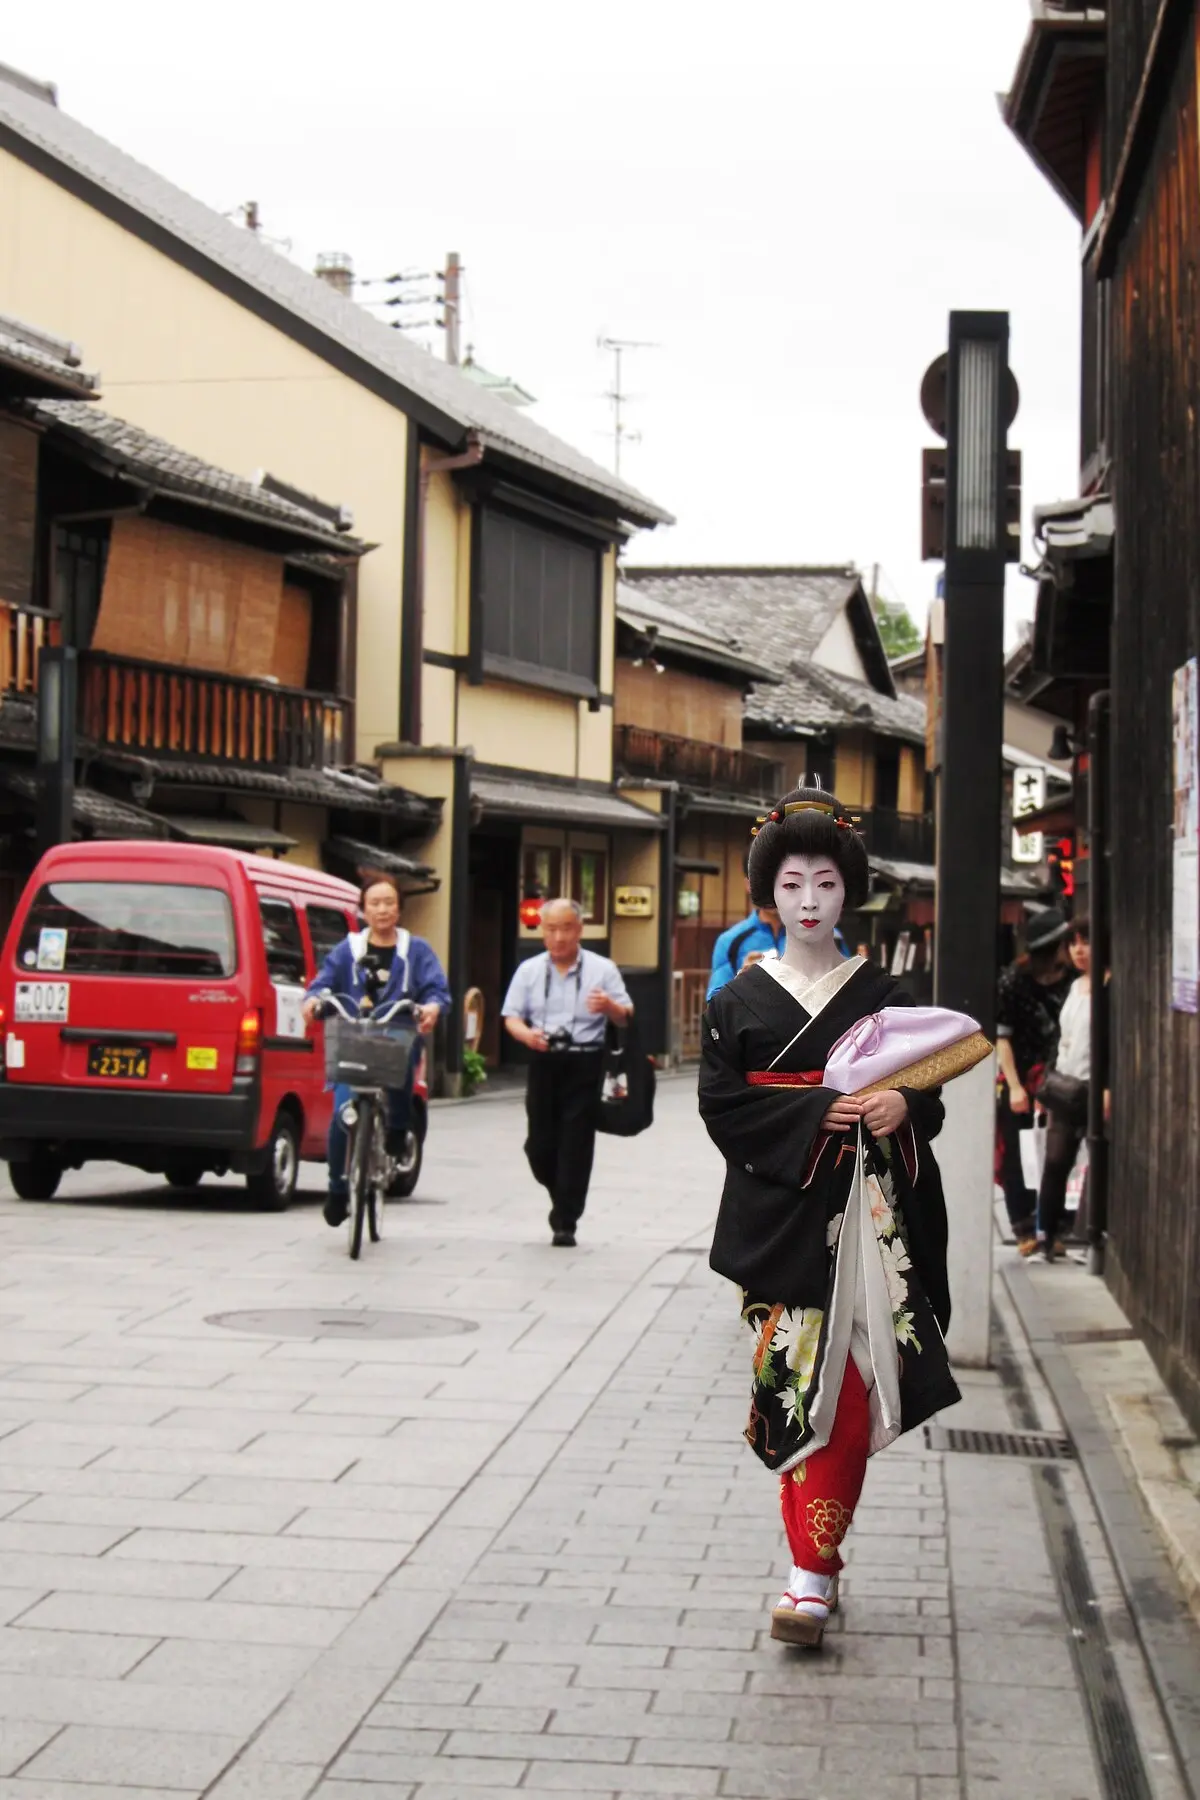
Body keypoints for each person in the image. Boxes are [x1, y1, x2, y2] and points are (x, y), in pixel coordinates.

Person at [698, 786, 960, 1648]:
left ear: (849, 892)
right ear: (767, 896)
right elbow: (723, 1109)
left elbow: (928, 1097)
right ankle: (818, 1562)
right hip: (780, 1218)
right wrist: (818, 1114)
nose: (808, 903)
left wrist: (901, 1111)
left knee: (844, 1390)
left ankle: (807, 1574)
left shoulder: (883, 993)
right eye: (791, 887)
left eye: (825, 885)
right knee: (792, 1386)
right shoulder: (737, 1003)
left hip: (869, 1221)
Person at [303, 872, 451, 1227]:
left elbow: (436, 990)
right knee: (342, 1113)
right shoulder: (347, 950)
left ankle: (398, 1127)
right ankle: (338, 1188)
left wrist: (431, 1008)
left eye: (389, 903)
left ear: (399, 908)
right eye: (375, 903)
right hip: (353, 1038)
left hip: (396, 1038)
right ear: (363, 910)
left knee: (400, 1077)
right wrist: (311, 1002)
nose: (382, 910)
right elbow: (320, 985)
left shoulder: (416, 949)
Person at [502, 897, 632, 1247]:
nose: (559, 936)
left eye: (566, 928)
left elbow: (626, 1015)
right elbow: (511, 1017)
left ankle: (566, 1220)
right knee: (539, 1146)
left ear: (579, 930)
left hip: (585, 1062)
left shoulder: (602, 969)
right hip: (543, 1061)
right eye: (551, 929)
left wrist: (609, 1006)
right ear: (542, 931)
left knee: (576, 1142)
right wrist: (527, 1035)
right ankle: (560, 1192)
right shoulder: (529, 971)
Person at [995, 907, 1074, 1256]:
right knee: (1017, 1152)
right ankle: (1024, 1227)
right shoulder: (1014, 981)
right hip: (1021, 1076)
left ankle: (1055, 1228)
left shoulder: (1074, 981)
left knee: (1061, 1155)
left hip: (1062, 1077)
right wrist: (1014, 1086)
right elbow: (1003, 1038)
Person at [1036, 920, 1091, 1261]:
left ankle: (1087, 1236)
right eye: (1074, 943)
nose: (1079, 949)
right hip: (1065, 1085)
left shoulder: (1109, 987)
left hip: (1092, 1086)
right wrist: (1049, 1080)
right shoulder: (1076, 986)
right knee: (1056, 1162)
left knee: (1096, 1164)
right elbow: (1060, 1039)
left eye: (1086, 942)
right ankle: (1048, 1238)